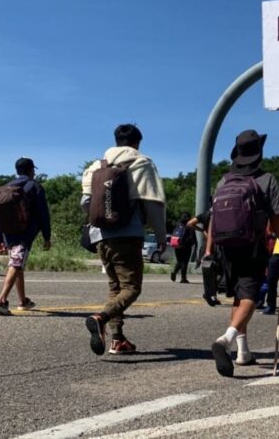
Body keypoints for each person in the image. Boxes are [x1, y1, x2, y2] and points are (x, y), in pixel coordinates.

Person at [207, 130, 279, 377]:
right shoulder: (267, 180)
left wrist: (209, 250)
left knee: (237, 297)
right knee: (250, 297)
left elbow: (213, 219)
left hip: (225, 248)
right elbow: (277, 219)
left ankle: (243, 352)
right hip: (252, 247)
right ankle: (226, 339)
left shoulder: (224, 181)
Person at [81, 124, 167, 355]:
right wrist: (161, 236)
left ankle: (117, 340)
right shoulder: (141, 163)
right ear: (137, 143)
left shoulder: (96, 166)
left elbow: (85, 203)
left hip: (100, 235)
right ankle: (101, 318)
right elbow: (152, 203)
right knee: (131, 288)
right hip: (128, 234)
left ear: (116, 140)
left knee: (115, 287)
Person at [0, 158, 51, 315]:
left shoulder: (5, 187)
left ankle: (23, 301)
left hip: (7, 233)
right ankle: (1, 301)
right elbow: (43, 213)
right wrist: (47, 236)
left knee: (18, 263)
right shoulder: (34, 186)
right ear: (31, 170)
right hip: (24, 233)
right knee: (16, 264)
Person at [171, 212, 196, 283]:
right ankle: (183, 278)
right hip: (186, 246)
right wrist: (193, 243)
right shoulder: (189, 225)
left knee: (179, 261)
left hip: (177, 244)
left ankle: (174, 272)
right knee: (185, 262)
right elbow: (192, 237)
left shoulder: (178, 224)